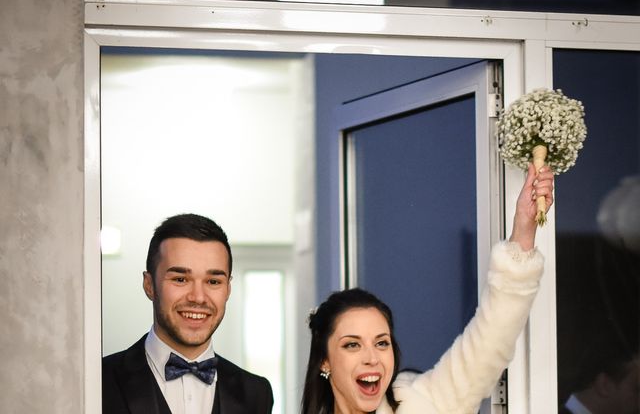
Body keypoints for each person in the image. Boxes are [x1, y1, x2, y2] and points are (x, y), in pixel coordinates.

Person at [302, 163, 554, 414]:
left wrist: (524, 227)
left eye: (382, 343)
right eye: (352, 345)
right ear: (325, 360)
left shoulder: (421, 403)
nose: (372, 358)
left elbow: (492, 337)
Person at [102, 213, 274, 414]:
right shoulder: (99, 381)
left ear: (228, 289)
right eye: (181, 279)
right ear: (149, 285)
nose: (198, 297)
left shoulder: (256, 393)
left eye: (213, 282)